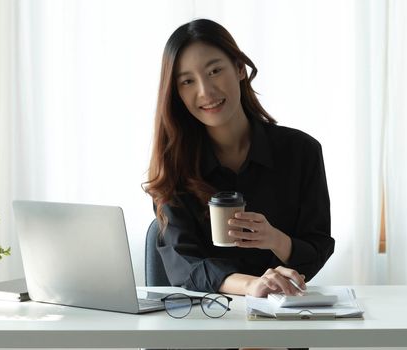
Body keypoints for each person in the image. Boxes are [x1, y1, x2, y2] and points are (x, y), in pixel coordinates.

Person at [143, 18, 334, 299]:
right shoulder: (174, 167)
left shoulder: (301, 152)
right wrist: (250, 285)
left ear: (239, 69)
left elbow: (317, 249)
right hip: (205, 323)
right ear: (177, 93)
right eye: (187, 81)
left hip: (280, 322)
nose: (205, 92)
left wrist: (274, 239)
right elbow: (182, 262)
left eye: (215, 71)